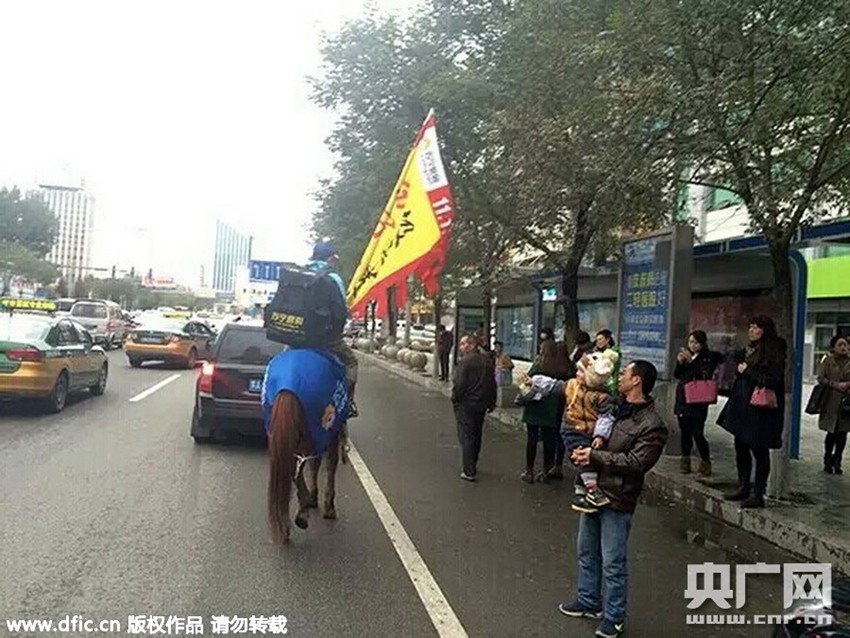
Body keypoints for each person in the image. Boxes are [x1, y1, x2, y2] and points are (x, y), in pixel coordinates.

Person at [558, 360, 669, 638]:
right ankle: (588, 601)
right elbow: (597, 432)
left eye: (624, 374)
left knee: (613, 562)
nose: (619, 377)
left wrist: (594, 456)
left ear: (637, 381)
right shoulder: (614, 407)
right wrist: (588, 448)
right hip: (594, 491)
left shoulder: (652, 424)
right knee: (586, 551)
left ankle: (614, 617)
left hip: (618, 498)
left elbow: (635, 462)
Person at [525, 348, 619, 512]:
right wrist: (534, 382)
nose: (577, 374)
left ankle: (581, 492)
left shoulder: (603, 397)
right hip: (572, 429)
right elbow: (553, 385)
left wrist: (600, 435)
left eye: (581, 372)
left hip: (591, 433)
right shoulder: (572, 386)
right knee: (583, 459)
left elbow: (606, 418)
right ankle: (591, 490)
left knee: (588, 462)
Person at [718, 315, 786, 509]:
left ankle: (758, 493)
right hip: (743, 406)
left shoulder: (774, 351)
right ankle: (743, 486)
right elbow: (732, 357)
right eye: (751, 327)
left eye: (756, 328)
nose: (752, 331)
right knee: (740, 446)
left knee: (759, 450)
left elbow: (773, 380)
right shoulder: (749, 349)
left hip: (761, 410)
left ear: (765, 330)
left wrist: (747, 370)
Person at [307, 240, 359, 418]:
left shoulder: (300, 272)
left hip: (296, 338)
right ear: (330, 258)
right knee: (352, 362)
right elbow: (341, 309)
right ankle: (349, 403)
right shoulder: (333, 278)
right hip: (326, 339)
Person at [673, 330, 721, 476]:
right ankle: (685, 460)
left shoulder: (709, 357)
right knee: (684, 431)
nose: (692, 345)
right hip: (683, 398)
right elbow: (677, 374)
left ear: (702, 344)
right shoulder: (686, 356)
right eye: (690, 342)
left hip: (698, 400)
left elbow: (704, 375)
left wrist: (691, 362)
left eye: (695, 343)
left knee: (697, 431)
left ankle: (705, 461)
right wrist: (680, 363)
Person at [451, 334, 497, 481]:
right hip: (481, 403)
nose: (461, 347)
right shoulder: (487, 361)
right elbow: (492, 383)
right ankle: (473, 463)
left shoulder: (465, 362)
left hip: (466, 403)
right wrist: (492, 401)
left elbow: (460, 384)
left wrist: (455, 398)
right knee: (476, 434)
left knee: (467, 435)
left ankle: (469, 470)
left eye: (463, 344)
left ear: (471, 345)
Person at [520, 340, 565, 484]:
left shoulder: (538, 364)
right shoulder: (559, 367)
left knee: (532, 440)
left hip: (534, 407)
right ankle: (546, 471)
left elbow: (527, 380)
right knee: (549, 441)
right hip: (551, 408)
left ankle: (529, 470)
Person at [817, 335, 850, 474]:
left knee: (842, 432)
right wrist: (835, 384)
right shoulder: (827, 360)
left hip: (847, 402)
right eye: (840, 345)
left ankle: (838, 460)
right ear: (834, 347)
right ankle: (827, 459)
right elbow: (820, 378)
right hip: (830, 400)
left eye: (845, 345)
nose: (843, 347)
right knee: (831, 432)